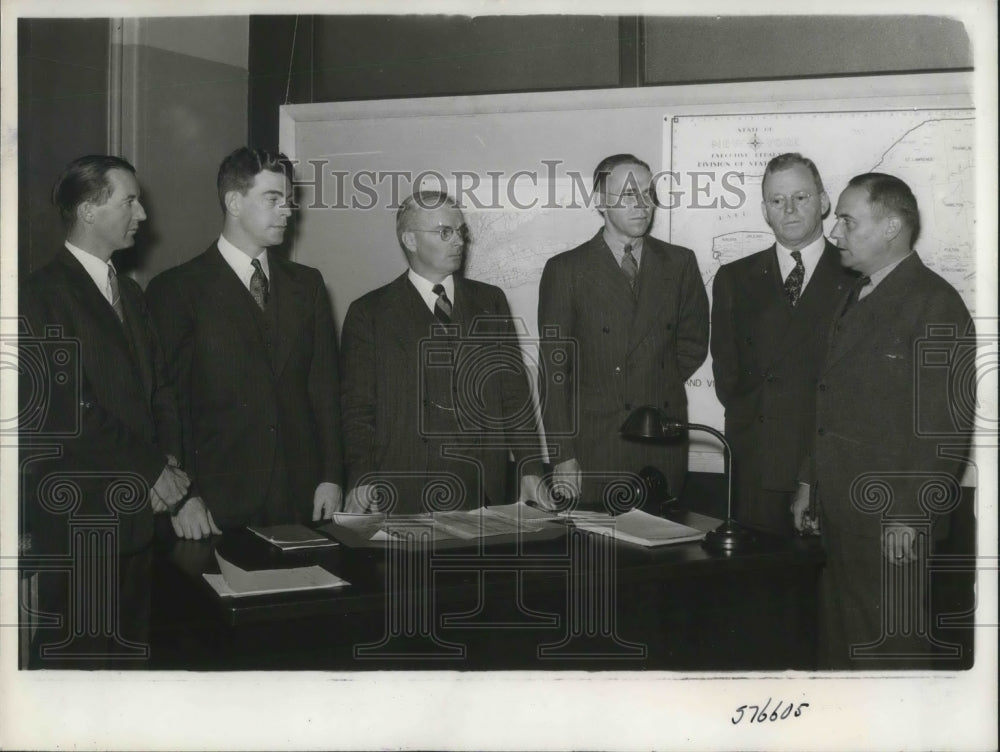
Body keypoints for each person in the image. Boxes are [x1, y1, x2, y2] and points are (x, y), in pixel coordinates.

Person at [792, 172, 975, 669]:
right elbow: (833, 399)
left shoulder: (936, 304)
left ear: (892, 226)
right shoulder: (857, 293)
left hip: (891, 522)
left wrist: (911, 514)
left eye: (848, 222)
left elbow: (945, 427)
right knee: (842, 646)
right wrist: (811, 480)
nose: (836, 234)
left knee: (890, 653)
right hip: (843, 513)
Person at [19, 155, 188, 668]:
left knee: (127, 675)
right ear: (89, 210)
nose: (141, 215)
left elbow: (159, 389)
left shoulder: (131, 293)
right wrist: (152, 469)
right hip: (81, 526)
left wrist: (170, 470)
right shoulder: (39, 295)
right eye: (129, 201)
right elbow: (67, 412)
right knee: (76, 676)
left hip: (138, 526)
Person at [146, 147, 343, 536]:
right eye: (273, 199)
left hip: (301, 496)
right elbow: (168, 404)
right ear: (234, 202)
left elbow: (324, 388)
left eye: (289, 201)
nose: (287, 211)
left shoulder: (308, 284)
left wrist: (331, 476)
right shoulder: (176, 289)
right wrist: (185, 498)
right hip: (215, 503)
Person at [340, 191, 550, 515]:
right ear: (410, 239)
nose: (458, 242)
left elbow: (513, 394)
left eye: (460, 232)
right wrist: (361, 475)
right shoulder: (370, 313)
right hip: (404, 489)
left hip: (482, 490)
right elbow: (358, 409)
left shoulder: (490, 301)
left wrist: (530, 466)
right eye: (445, 232)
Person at [538, 154, 709, 509]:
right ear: (600, 201)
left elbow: (692, 344)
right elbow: (554, 373)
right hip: (595, 447)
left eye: (648, 194)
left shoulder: (680, 263)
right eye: (628, 195)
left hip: (660, 439)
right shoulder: (566, 270)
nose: (643, 205)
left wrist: (652, 379)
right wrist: (562, 455)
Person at [710, 153, 856, 535]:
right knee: (758, 584)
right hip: (755, 463)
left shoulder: (856, 275)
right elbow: (727, 375)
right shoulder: (733, 278)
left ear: (823, 202)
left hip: (829, 463)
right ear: (764, 210)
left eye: (801, 197)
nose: (789, 209)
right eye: (777, 200)